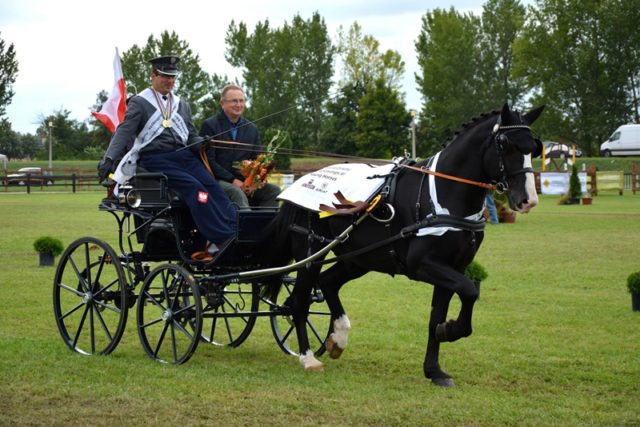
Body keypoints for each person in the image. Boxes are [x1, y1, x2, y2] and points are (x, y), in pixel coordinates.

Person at [97, 55, 236, 259]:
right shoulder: (140, 102)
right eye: (165, 76)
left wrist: (200, 142)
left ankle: (235, 229)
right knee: (196, 190)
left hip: (183, 157)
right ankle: (220, 238)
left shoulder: (182, 105)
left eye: (172, 77)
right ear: (153, 76)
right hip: (155, 159)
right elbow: (124, 131)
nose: (169, 81)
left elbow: (189, 135)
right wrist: (109, 158)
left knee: (212, 186)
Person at [199, 84, 280, 209]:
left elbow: (258, 158)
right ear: (222, 103)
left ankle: (265, 227)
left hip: (246, 182)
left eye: (241, 101)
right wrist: (233, 180)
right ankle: (246, 228)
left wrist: (255, 181)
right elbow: (209, 161)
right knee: (237, 193)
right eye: (234, 101)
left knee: (274, 191)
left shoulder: (252, 128)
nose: (239, 105)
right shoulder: (210, 125)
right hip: (218, 180)